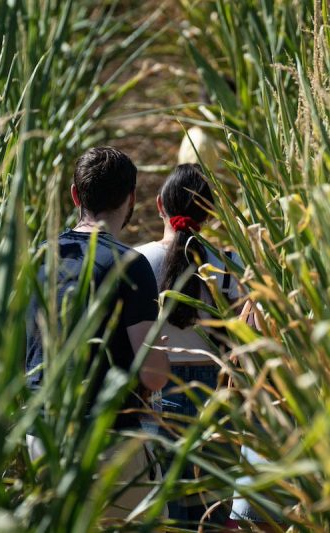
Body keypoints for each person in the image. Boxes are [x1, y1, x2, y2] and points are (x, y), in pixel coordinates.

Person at [25, 146, 170, 520]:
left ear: (76, 195)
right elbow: (153, 375)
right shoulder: (129, 265)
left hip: (44, 440)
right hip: (109, 444)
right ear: (131, 199)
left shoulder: (38, 257)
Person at [135, 163, 241, 525]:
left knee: (169, 511)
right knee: (209, 512)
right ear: (209, 214)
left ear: (159, 205)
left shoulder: (138, 261)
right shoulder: (229, 264)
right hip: (214, 393)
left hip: (159, 392)